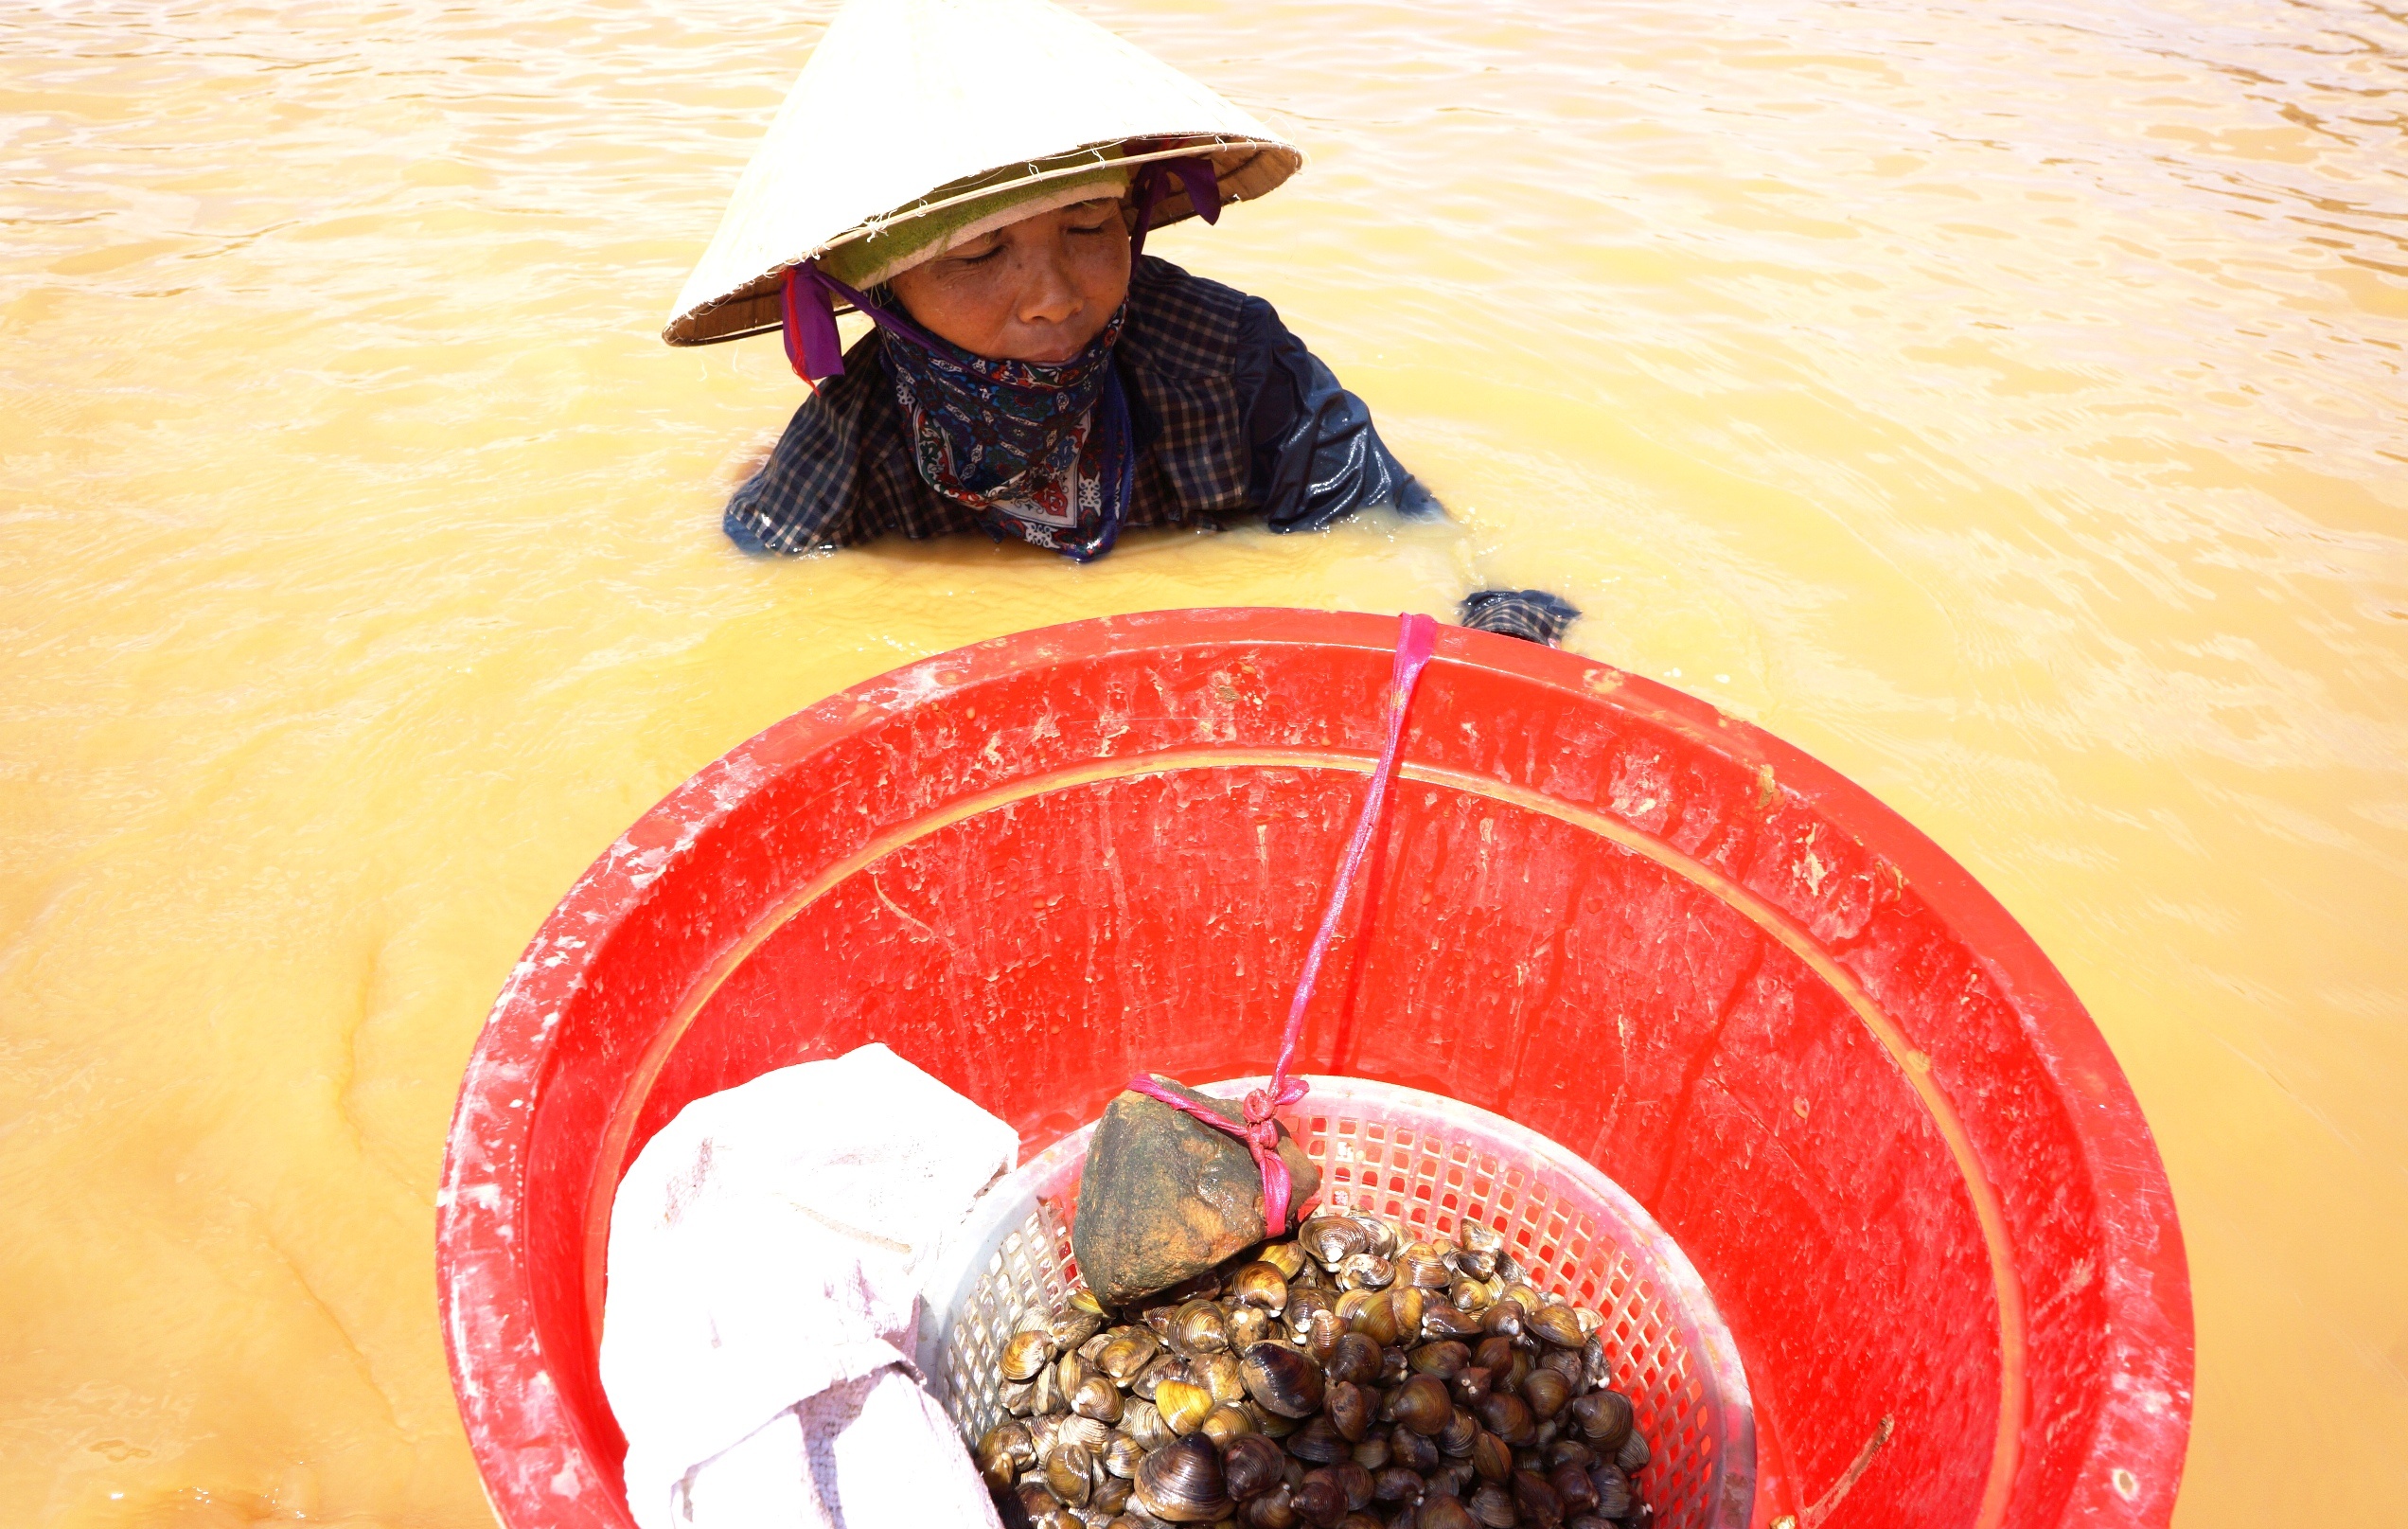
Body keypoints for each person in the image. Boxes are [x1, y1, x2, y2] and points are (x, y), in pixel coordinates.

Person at [663, 0, 1577, 646]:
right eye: (981, 255)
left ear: (1132, 215)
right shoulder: (850, 442)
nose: (1055, 294)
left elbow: (1389, 524)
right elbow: (774, 611)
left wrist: (1491, 614)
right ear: (883, 293)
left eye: (1090, 227)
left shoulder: (1230, 360)